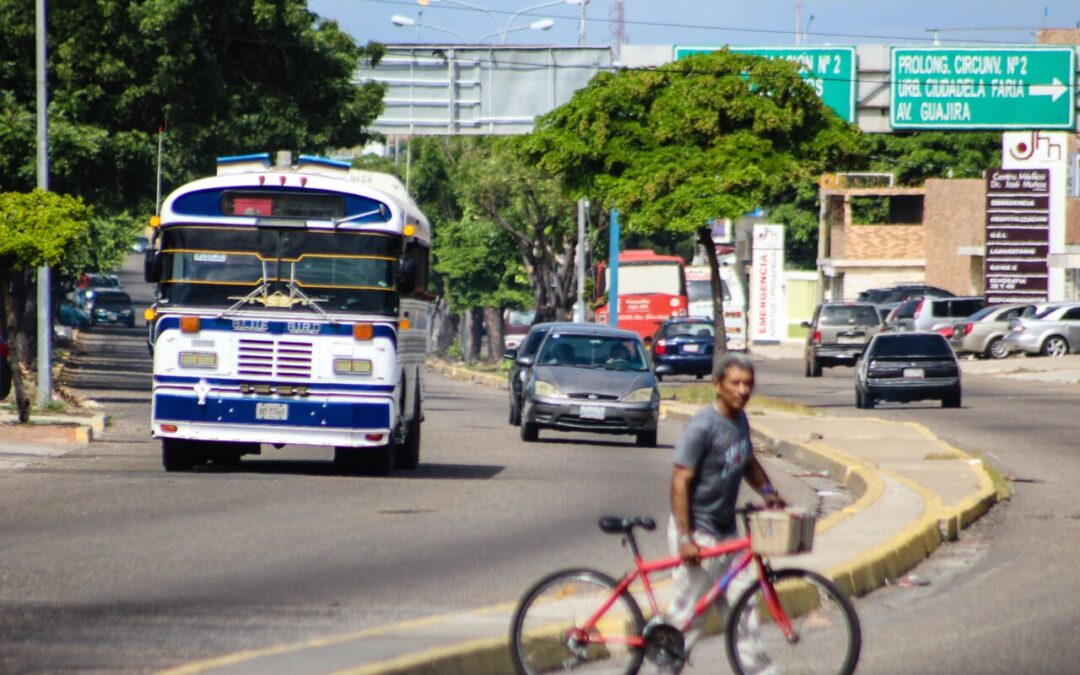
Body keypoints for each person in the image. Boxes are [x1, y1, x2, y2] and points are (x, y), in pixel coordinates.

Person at [663, 353, 785, 673]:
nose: (743, 390)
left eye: (748, 384)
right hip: (697, 530)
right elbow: (679, 483)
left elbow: (747, 462)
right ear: (717, 385)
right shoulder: (702, 427)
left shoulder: (741, 420)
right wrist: (686, 539)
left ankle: (760, 671)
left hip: (726, 531)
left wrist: (769, 492)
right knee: (689, 615)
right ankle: (665, 667)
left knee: (746, 610)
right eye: (735, 383)